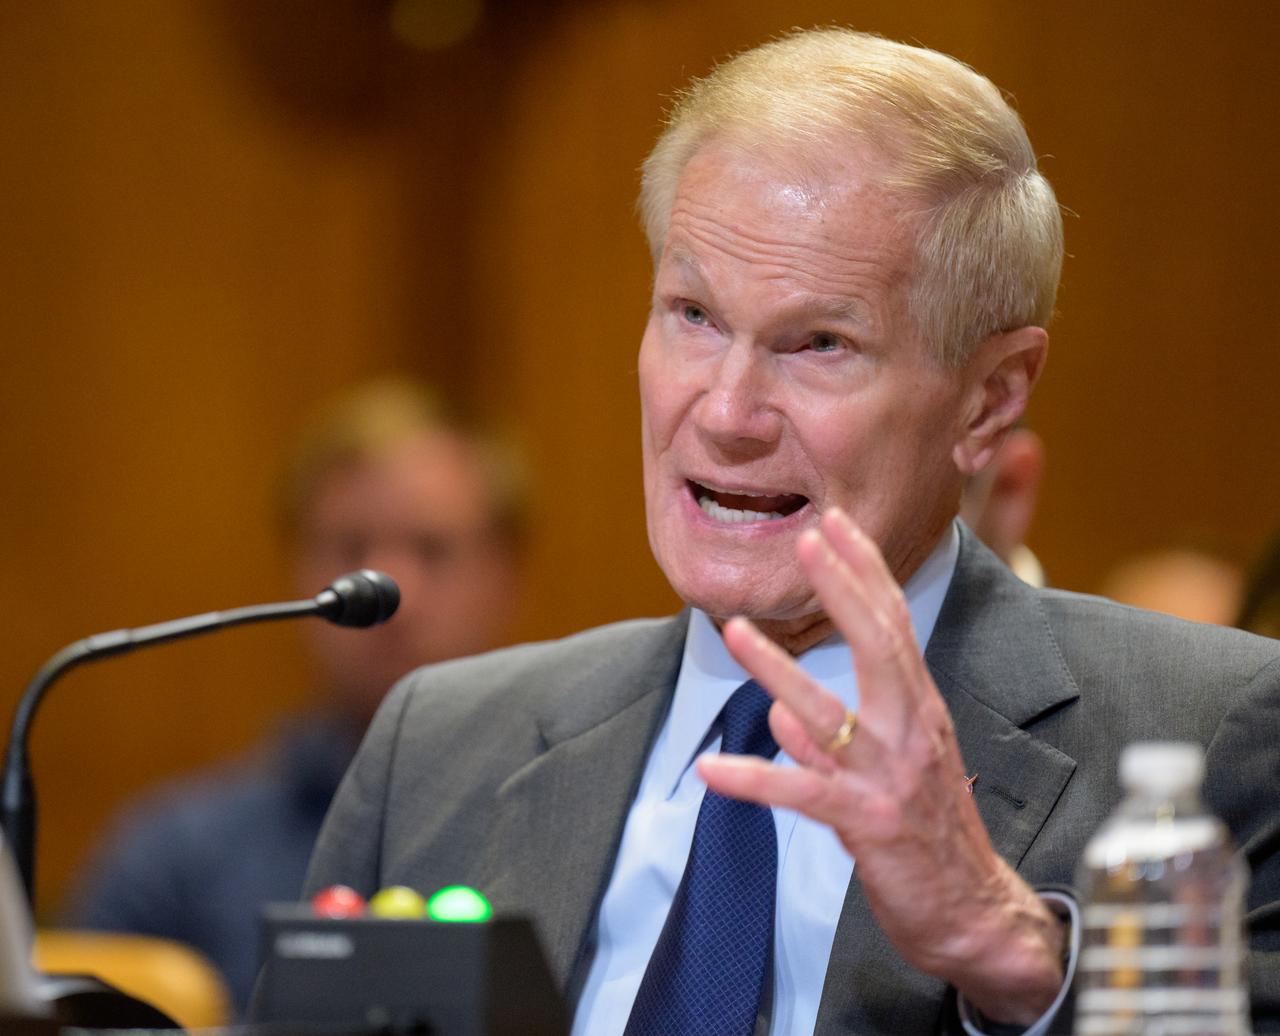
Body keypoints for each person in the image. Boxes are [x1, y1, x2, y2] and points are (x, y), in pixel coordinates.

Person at [302, 29, 1280, 1036]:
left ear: (988, 398)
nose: (724, 413)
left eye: (818, 343)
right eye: (692, 314)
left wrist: (1010, 947)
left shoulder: (1208, 734)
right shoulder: (440, 746)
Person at [68, 378, 525, 1014]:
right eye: (349, 548)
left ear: (504, 576)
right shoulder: (175, 859)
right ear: (300, 569)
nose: (392, 589)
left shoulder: (580, 822)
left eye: (433, 549)